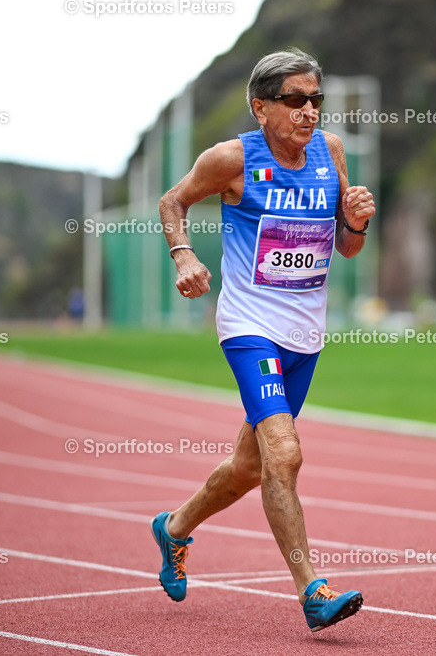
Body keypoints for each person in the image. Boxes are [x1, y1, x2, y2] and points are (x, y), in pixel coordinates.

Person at [154, 48, 375, 632]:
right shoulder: (231, 159)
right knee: (286, 454)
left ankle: (174, 527)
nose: (309, 111)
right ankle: (312, 592)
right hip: (251, 328)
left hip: (307, 333)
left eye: (316, 100)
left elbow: (346, 248)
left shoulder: (329, 153)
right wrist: (183, 256)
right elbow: (172, 201)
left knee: (249, 468)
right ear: (261, 107)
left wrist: (354, 220)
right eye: (295, 100)